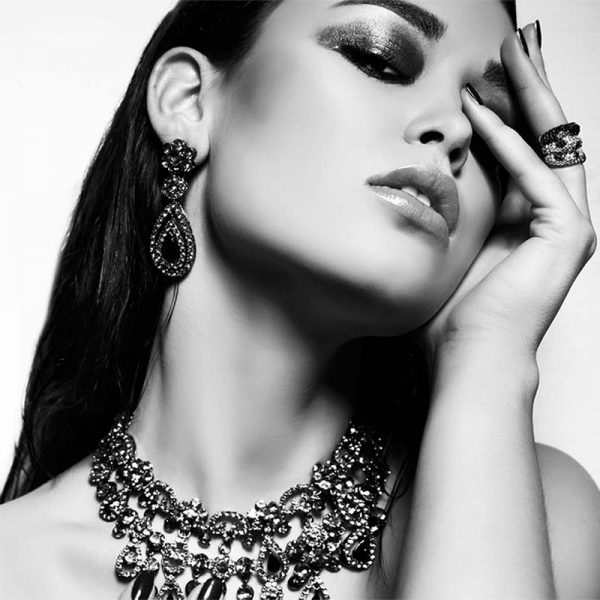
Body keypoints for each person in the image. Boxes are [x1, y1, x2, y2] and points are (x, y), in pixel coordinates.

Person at [1, 1, 599, 598]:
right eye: (380, 59)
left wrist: (484, 356)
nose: (459, 129)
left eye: (491, 118)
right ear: (189, 101)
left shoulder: (549, 521)